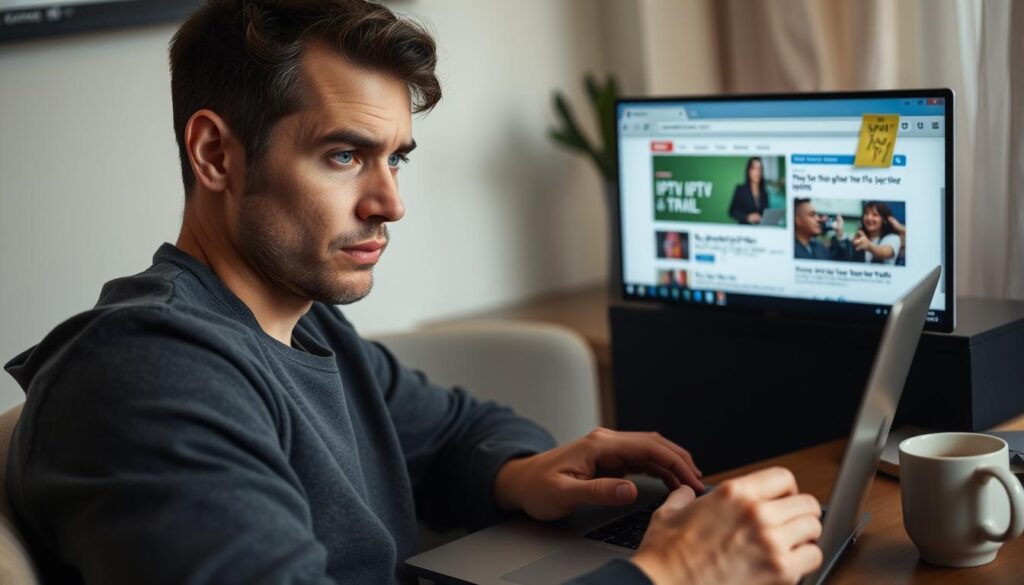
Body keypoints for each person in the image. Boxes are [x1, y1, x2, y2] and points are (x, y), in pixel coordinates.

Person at [3, 2, 823, 584]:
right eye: (343, 155)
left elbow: (459, 429)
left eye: (397, 157)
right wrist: (673, 572)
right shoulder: (149, 377)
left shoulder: (304, 326)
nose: (390, 201)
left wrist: (522, 471)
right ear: (216, 154)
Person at [728, 157, 769, 224]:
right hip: (745, 230)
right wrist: (747, 217)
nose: (757, 172)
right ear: (748, 171)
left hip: (760, 230)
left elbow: (766, 213)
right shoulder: (740, 189)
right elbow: (732, 212)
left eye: (759, 169)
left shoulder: (764, 193)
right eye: (754, 168)